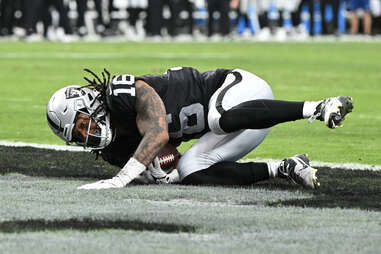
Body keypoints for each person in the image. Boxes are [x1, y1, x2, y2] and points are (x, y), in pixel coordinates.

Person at [46, 67, 353, 190]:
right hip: (242, 126)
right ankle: (284, 167)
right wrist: (161, 169)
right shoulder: (116, 148)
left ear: (89, 103)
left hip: (238, 90)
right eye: (78, 135)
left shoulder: (119, 92)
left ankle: (316, 107)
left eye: (83, 124)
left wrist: (122, 179)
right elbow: (169, 154)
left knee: (217, 116)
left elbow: (158, 132)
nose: (87, 135)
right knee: (191, 171)